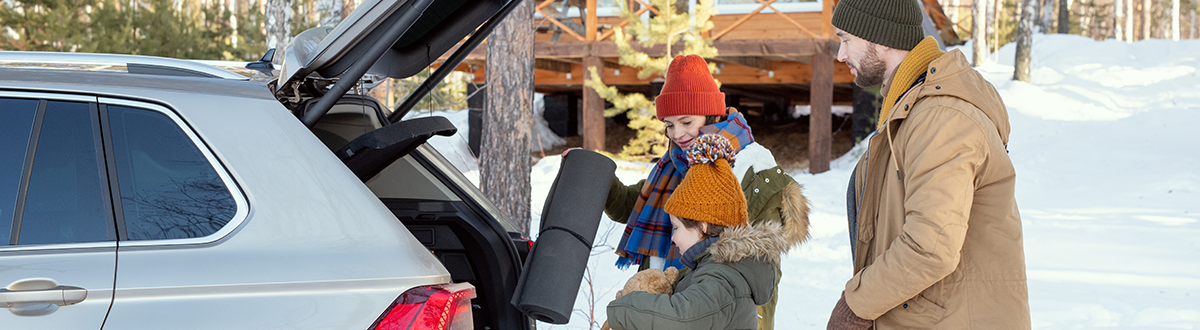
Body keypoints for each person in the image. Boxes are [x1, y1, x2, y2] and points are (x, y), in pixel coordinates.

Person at [825, 0, 1030, 329]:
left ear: (881, 38)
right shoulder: (911, 112)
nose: (841, 55)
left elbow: (931, 245)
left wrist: (856, 306)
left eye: (846, 39)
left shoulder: (942, 118)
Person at [598, 54, 810, 330]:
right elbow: (632, 205)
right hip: (662, 310)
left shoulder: (751, 170)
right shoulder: (675, 166)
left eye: (687, 122)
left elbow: (756, 269)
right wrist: (594, 172)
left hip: (706, 315)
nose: (678, 134)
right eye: (670, 125)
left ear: (711, 114)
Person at [606, 134, 792, 330]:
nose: (673, 238)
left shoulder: (721, 279)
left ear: (702, 227)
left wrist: (623, 307)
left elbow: (680, 318)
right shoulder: (714, 270)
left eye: (676, 228)